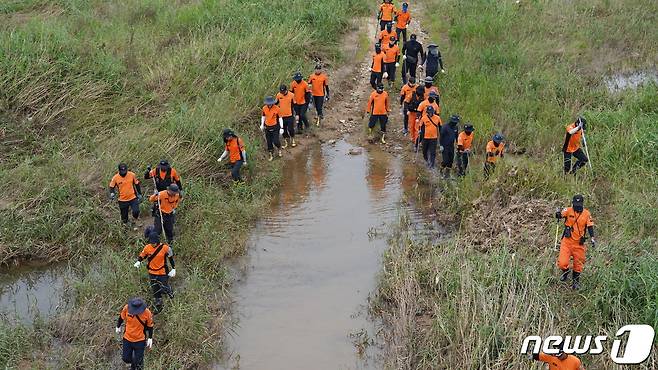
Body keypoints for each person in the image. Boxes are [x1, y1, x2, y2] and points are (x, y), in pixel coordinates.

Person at [556, 194, 595, 290]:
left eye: (579, 204)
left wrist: (592, 238)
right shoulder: (568, 210)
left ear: (582, 204)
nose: (577, 206)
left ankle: (576, 282)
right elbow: (560, 214)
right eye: (575, 204)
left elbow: (590, 227)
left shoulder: (587, 214)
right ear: (572, 203)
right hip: (567, 242)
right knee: (562, 262)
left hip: (579, 243)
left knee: (578, 264)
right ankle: (565, 272)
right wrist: (557, 214)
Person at [134, 232, 176, 312]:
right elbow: (143, 255)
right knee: (155, 288)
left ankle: (170, 294)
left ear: (157, 241)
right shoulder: (147, 248)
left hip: (162, 272)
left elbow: (171, 258)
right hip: (152, 272)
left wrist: (173, 268)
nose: (153, 244)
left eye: (154, 242)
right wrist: (139, 261)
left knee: (164, 287)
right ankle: (158, 303)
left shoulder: (165, 248)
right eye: (151, 242)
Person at [116, 297, 154, 370]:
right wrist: (118, 326)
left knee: (138, 363)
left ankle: (135, 366)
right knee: (126, 358)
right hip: (127, 338)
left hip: (140, 340)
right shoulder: (127, 308)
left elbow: (150, 325)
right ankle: (136, 363)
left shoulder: (147, 312)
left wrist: (150, 338)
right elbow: (121, 317)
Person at [261, 96, 283, 160]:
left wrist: (282, 127)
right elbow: (263, 117)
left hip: (275, 127)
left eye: (270, 103)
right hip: (267, 127)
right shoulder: (264, 108)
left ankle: (279, 149)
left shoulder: (277, 108)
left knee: (276, 141)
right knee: (269, 142)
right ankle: (271, 155)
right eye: (268, 103)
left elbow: (280, 118)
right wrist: (262, 124)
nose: (269, 104)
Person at [276, 84, 296, 148]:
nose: (282, 93)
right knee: (283, 130)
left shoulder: (291, 95)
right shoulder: (278, 95)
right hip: (281, 116)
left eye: (283, 91)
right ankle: (286, 142)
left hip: (290, 115)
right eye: (281, 92)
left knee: (290, 129)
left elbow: (294, 105)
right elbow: (276, 103)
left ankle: (293, 139)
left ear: (286, 90)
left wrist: (296, 114)